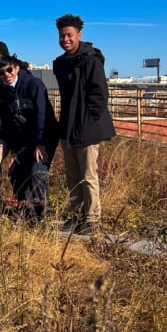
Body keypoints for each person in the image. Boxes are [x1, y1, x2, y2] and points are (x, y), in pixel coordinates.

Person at [53, 14, 116, 233]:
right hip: (68, 127)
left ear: (79, 35)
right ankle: (77, 215)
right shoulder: (60, 63)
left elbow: (100, 94)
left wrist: (89, 121)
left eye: (69, 35)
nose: (65, 39)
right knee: (72, 176)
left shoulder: (91, 59)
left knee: (88, 175)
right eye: (62, 36)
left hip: (87, 128)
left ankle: (91, 220)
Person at [0, 55, 59, 221]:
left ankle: (45, 213)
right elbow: (8, 123)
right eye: (1, 73)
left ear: (17, 68)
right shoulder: (4, 93)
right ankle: (27, 209)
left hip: (44, 136)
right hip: (24, 141)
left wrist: (40, 143)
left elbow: (42, 114)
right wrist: (14, 150)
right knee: (15, 172)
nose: (6, 75)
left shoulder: (33, 84)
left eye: (9, 70)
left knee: (37, 172)